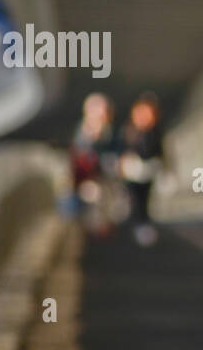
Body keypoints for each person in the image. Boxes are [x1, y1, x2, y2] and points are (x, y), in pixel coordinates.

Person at [69, 92, 119, 236]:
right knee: (92, 197)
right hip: (86, 179)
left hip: (106, 178)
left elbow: (115, 152)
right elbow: (80, 157)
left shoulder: (110, 132)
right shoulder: (83, 133)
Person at [119, 91, 165, 247]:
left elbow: (159, 151)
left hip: (148, 171)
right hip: (133, 172)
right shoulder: (130, 131)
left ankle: (143, 226)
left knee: (144, 199)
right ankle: (136, 225)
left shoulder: (155, 133)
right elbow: (124, 149)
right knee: (135, 198)